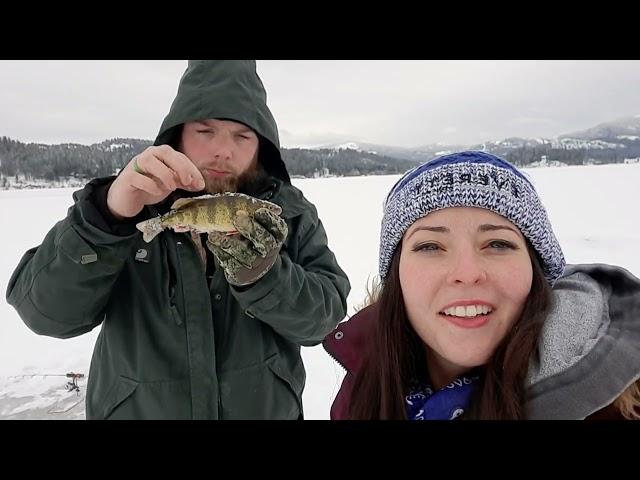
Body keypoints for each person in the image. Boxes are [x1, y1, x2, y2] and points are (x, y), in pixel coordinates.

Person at [7, 60, 351, 419]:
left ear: (261, 145)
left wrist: (265, 274)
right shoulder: (130, 207)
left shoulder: (286, 213)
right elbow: (45, 314)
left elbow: (325, 318)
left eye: (242, 135)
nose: (223, 150)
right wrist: (105, 221)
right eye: (205, 131)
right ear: (178, 134)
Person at [323, 151, 640, 420]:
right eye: (430, 246)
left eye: (498, 244)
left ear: (537, 270)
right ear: (396, 277)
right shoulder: (365, 384)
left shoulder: (615, 409)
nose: (467, 273)